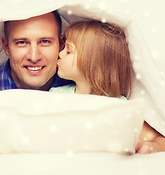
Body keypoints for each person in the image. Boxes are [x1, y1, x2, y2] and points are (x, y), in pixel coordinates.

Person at [50, 19, 165, 153]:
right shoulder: (55, 96)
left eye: (68, 50)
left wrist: (150, 147)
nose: (59, 53)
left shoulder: (120, 107)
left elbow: (160, 139)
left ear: (93, 64)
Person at [0, 11, 72, 92]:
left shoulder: (80, 87)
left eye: (45, 42)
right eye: (22, 42)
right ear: (6, 47)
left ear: (61, 44)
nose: (34, 57)